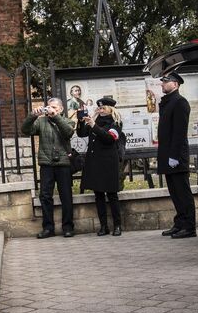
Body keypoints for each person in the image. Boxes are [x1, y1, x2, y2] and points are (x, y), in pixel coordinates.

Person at [22, 97, 75, 238]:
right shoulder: (41, 121)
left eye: (54, 107)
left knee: (66, 196)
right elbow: (25, 130)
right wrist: (32, 116)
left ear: (61, 109)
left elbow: (68, 132)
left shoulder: (68, 121)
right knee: (45, 196)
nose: (51, 110)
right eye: (49, 107)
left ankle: (68, 227)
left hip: (63, 163)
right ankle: (48, 228)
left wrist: (56, 116)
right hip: (46, 164)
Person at [76, 96, 124, 236]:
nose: (101, 110)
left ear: (110, 109)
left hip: (108, 163)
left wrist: (93, 125)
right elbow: (81, 133)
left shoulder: (116, 122)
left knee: (112, 194)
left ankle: (117, 225)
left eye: (103, 108)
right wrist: (82, 121)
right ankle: (103, 226)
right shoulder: (95, 121)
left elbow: (109, 138)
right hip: (95, 161)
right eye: (99, 108)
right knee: (98, 195)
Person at [157, 72, 196, 239]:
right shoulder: (167, 102)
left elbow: (179, 132)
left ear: (175, 84)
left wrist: (174, 155)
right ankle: (180, 223)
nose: (162, 84)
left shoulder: (180, 102)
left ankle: (189, 226)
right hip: (168, 155)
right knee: (175, 193)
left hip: (176, 157)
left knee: (183, 193)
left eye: (166, 81)